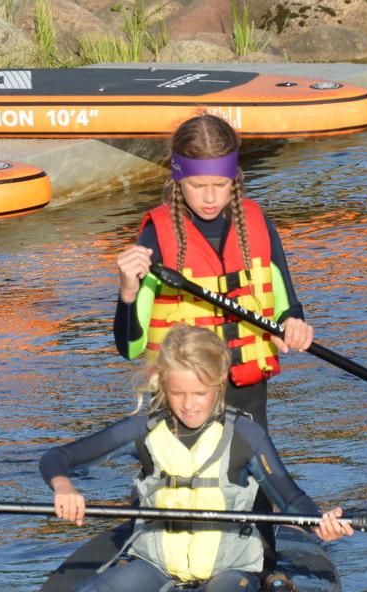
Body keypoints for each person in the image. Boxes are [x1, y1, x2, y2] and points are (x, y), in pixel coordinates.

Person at [40, 325, 353, 592]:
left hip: (226, 572)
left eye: (200, 393)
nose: (189, 404)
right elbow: (57, 458)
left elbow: (290, 499)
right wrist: (63, 486)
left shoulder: (246, 434)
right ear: (164, 384)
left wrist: (319, 522)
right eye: (178, 393)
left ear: (219, 385)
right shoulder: (144, 429)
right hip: (157, 569)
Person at [113, 113, 314, 430]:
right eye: (197, 185)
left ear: (234, 179)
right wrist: (127, 291)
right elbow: (129, 348)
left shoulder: (258, 226)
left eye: (220, 185)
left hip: (247, 401)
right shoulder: (156, 238)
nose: (210, 197)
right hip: (180, 405)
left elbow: (289, 306)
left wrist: (294, 323)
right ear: (178, 178)